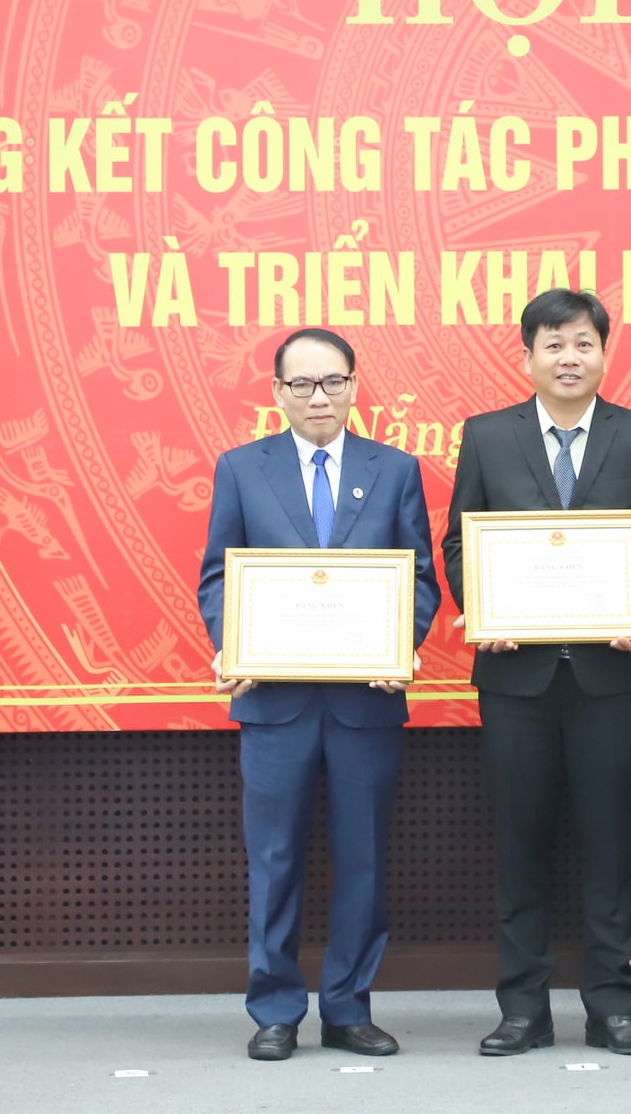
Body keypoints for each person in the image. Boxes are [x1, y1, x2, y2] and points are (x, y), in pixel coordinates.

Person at [442, 289, 631, 1057]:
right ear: (528, 357)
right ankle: (523, 1009)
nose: (569, 358)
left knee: (611, 850)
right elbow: (459, 540)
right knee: (521, 848)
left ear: (604, 353)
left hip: (611, 676)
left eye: (583, 343)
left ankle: (614, 1006)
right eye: (554, 344)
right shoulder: (487, 435)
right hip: (515, 678)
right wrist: (484, 606)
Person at [197, 328, 441, 1062]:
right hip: (275, 701)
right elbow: (219, 575)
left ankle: (347, 1007)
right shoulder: (242, 468)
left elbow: (418, 575)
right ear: (277, 392)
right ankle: (274, 1010)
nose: (318, 397)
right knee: (274, 860)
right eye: (301, 384)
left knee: (363, 860)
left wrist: (401, 641)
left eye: (332, 382)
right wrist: (233, 642)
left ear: (355, 386)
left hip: (366, 700)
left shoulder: (395, 469)